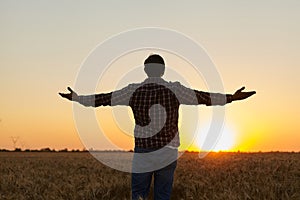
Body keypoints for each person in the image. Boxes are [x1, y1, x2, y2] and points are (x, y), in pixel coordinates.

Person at [59, 54, 255, 200]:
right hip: (168, 151)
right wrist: (232, 98)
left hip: (143, 151)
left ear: (145, 70)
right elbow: (204, 98)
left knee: (139, 195)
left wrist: (77, 98)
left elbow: (103, 99)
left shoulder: (132, 90)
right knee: (162, 196)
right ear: (163, 70)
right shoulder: (175, 89)